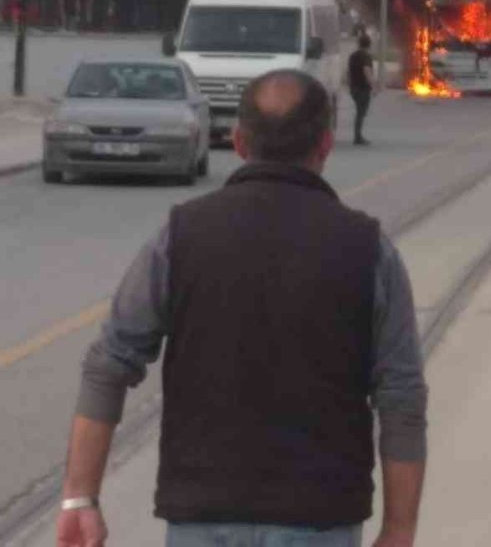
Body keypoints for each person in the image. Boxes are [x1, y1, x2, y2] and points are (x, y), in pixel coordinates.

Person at [55, 70, 427, 547]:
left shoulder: (180, 237)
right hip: (320, 518)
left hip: (202, 516)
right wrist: (399, 529)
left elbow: (109, 364)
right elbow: (402, 398)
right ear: (326, 145)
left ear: (238, 141)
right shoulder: (368, 249)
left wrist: (79, 498)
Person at [348, 31, 375, 146]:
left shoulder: (353, 56)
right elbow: (367, 71)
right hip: (362, 88)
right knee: (361, 112)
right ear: (369, 44)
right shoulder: (366, 56)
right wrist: (373, 86)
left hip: (353, 87)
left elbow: (348, 72)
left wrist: (349, 84)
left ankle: (358, 135)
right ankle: (357, 137)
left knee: (360, 111)